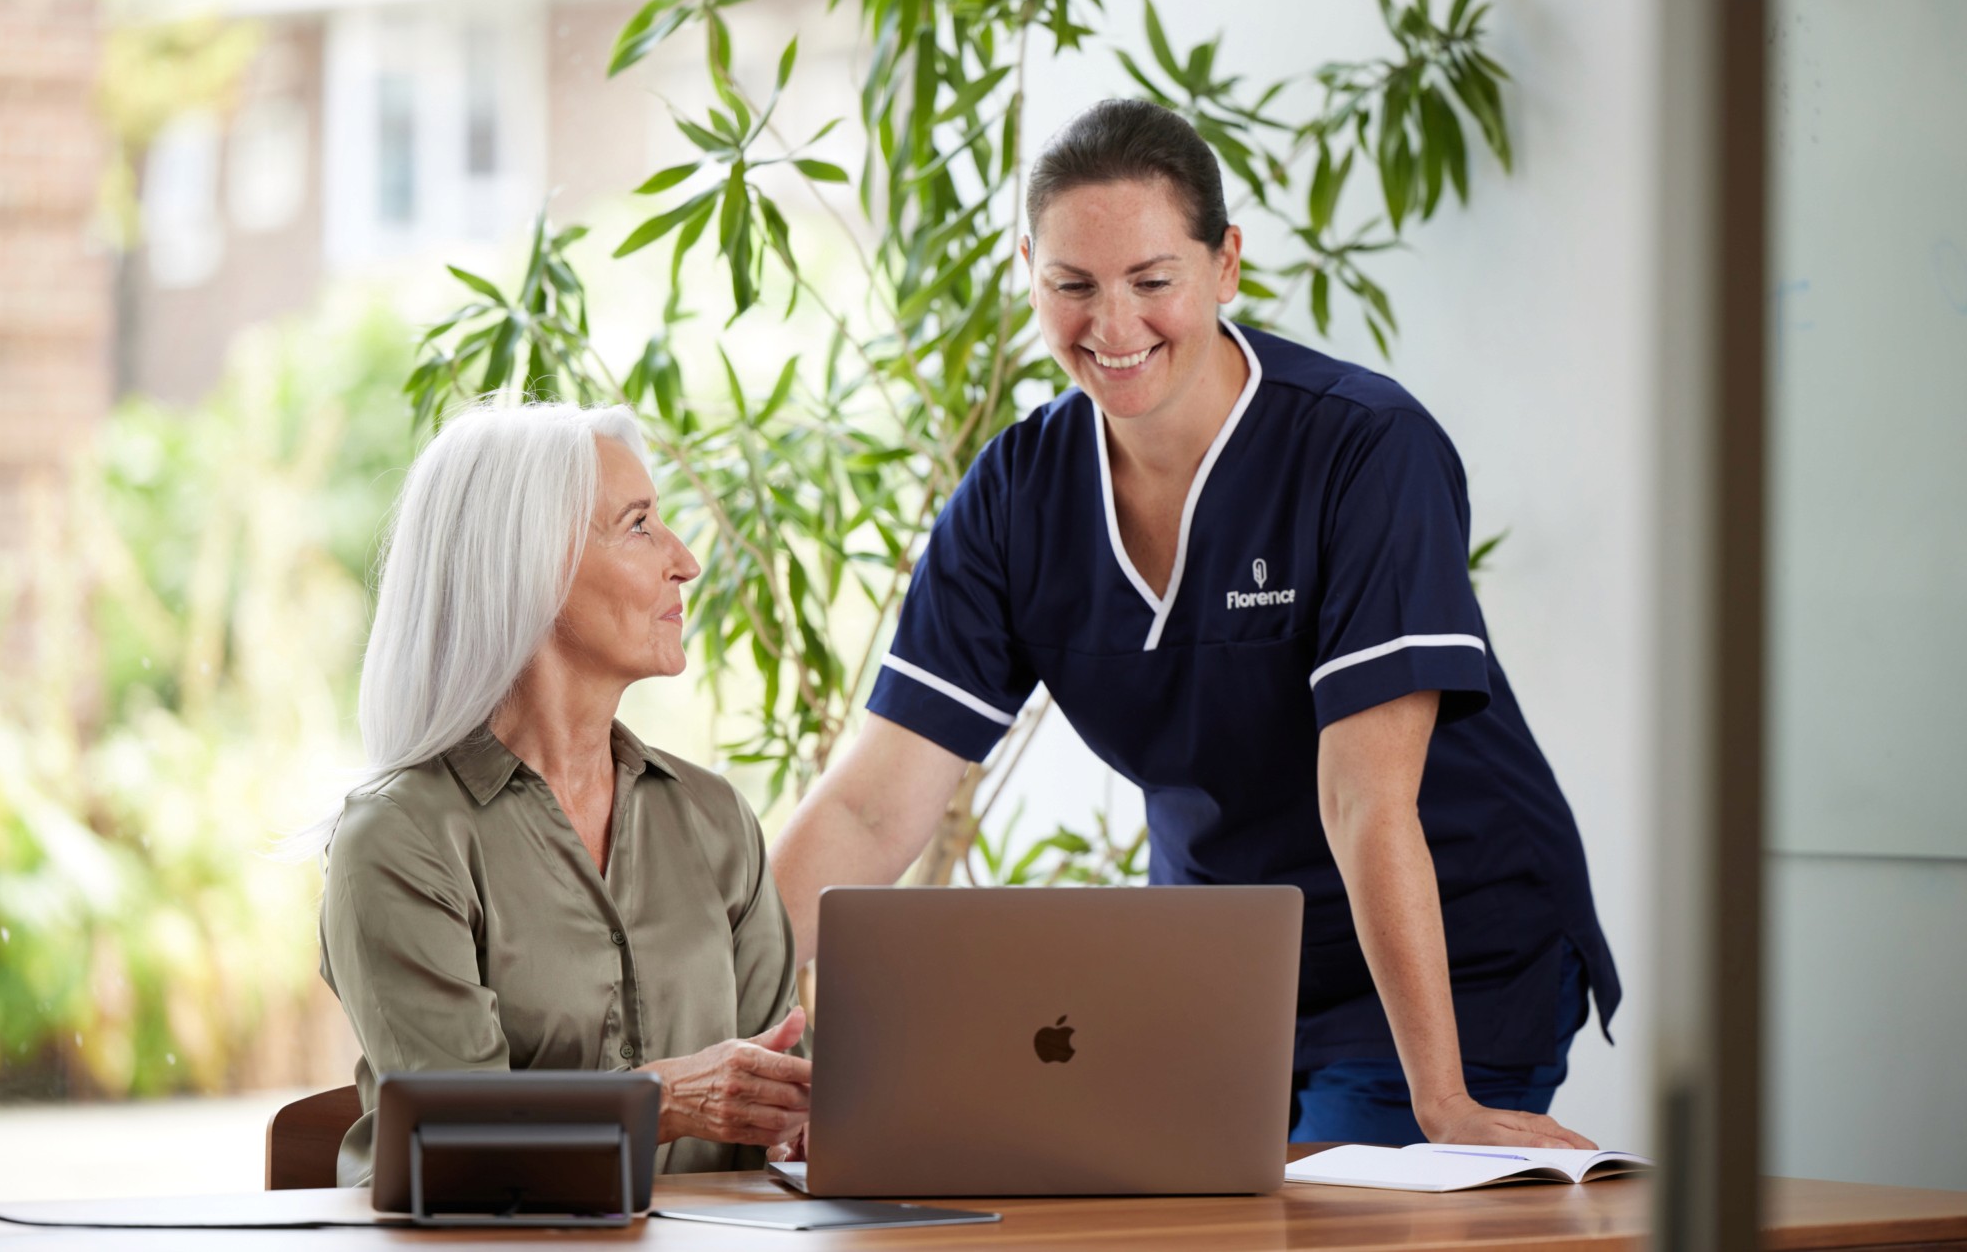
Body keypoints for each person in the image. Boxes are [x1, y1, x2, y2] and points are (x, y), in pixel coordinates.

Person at [771, 98, 1619, 1148]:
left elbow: (1362, 799)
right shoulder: (1015, 494)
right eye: (1071, 285)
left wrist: (1443, 1106)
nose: (1112, 327)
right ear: (1027, 265)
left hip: (1446, 950)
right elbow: (867, 809)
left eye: (1152, 281)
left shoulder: (1364, 451)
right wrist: (705, 1027)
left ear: (1224, 264)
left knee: (1333, 1218)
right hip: (1222, 968)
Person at [317, 401, 809, 1184]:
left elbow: (780, 1103)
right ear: (531, 564)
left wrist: (821, 1120)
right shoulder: (399, 841)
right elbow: (455, 1144)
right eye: (641, 524)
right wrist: (671, 1101)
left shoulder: (715, 821)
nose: (684, 561)